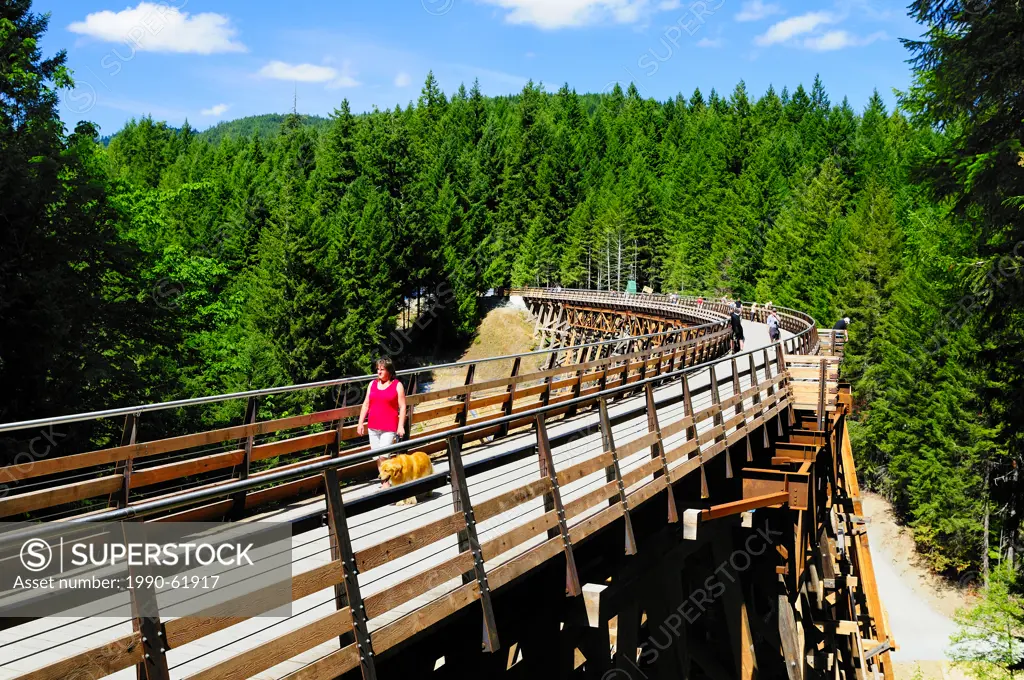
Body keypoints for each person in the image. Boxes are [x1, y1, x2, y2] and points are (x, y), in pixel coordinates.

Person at [357, 357, 407, 460]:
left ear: (389, 371)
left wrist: (400, 426)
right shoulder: (372, 384)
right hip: (373, 427)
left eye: (382, 369)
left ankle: (386, 476)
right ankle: (384, 476)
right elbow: (366, 404)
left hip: (389, 428)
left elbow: (402, 407)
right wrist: (360, 423)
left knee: (383, 457)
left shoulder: (397, 385)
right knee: (377, 458)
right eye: (378, 369)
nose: (379, 372)